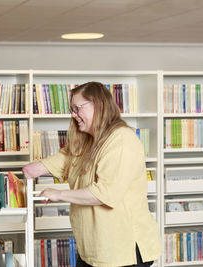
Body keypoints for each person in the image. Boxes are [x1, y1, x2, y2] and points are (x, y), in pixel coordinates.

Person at [23, 82, 162, 267]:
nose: (73, 115)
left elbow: (105, 193)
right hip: (93, 249)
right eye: (72, 109)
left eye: (77, 108)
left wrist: (59, 194)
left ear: (99, 104)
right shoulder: (87, 142)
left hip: (122, 250)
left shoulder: (122, 139)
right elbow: (65, 158)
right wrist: (33, 169)